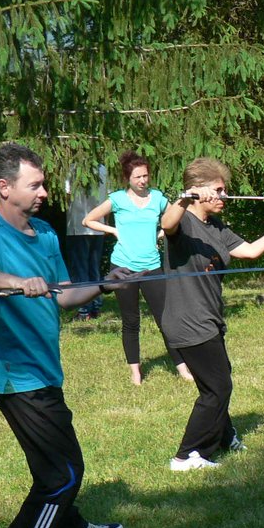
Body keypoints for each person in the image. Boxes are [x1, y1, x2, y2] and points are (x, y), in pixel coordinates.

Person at [0, 142, 127, 528]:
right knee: (64, 472)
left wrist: (104, 284)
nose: (45, 193)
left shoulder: (47, 234)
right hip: (17, 377)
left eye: (44, 184)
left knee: (50, 464)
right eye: (34, 185)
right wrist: (17, 282)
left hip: (46, 369)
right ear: (5, 187)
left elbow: (64, 295)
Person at [160, 157, 264, 471]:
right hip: (188, 320)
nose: (224, 196)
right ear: (200, 190)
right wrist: (185, 197)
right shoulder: (183, 223)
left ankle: (225, 436)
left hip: (209, 317)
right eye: (218, 190)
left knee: (215, 381)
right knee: (218, 388)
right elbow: (167, 224)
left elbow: (251, 251)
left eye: (224, 190)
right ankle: (186, 456)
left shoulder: (216, 227)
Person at [83, 151, 192, 385]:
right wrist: (113, 230)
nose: (143, 180)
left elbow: (176, 217)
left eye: (145, 176)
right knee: (131, 321)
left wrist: (163, 233)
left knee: (166, 320)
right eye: (137, 177)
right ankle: (136, 373)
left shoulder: (158, 198)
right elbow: (88, 220)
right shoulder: (117, 199)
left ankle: (182, 368)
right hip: (123, 268)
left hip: (152, 267)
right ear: (128, 178)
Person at [64, 163, 108, 319]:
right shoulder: (103, 169)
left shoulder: (72, 168)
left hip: (78, 226)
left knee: (80, 268)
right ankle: (95, 305)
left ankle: (84, 309)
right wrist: (106, 222)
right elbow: (107, 199)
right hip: (98, 226)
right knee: (94, 267)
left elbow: (67, 194)